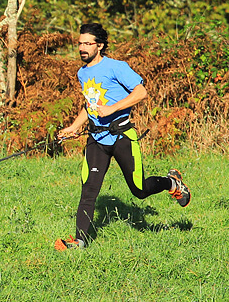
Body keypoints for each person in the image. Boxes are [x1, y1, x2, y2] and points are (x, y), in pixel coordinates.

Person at [54, 23, 191, 251]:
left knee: (139, 190)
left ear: (100, 45)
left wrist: (112, 109)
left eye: (87, 43)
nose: (82, 48)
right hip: (96, 140)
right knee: (89, 191)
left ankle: (172, 183)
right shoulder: (82, 73)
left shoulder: (117, 67)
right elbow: (89, 105)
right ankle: (79, 241)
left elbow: (141, 92)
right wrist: (73, 127)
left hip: (121, 137)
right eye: (80, 43)